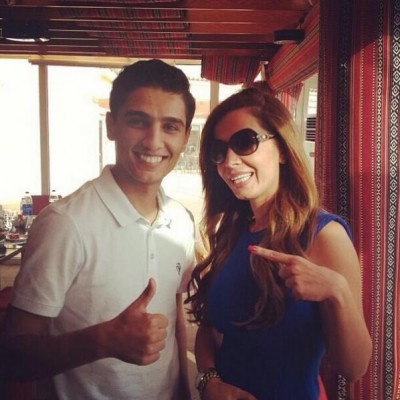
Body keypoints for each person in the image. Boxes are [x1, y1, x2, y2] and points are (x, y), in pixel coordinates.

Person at [0, 59, 196, 400]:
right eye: (138, 121)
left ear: (185, 137)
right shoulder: (65, 224)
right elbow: (13, 357)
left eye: (170, 126)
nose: (153, 141)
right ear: (111, 125)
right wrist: (103, 340)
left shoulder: (180, 220)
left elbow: (174, 314)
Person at [186, 88, 372, 400]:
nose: (229, 162)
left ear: (283, 150)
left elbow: (354, 368)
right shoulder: (232, 231)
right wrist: (210, 381)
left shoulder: (323, 235)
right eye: (218, 151)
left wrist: (337, 290)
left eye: (245, 142)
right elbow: (209, 328)